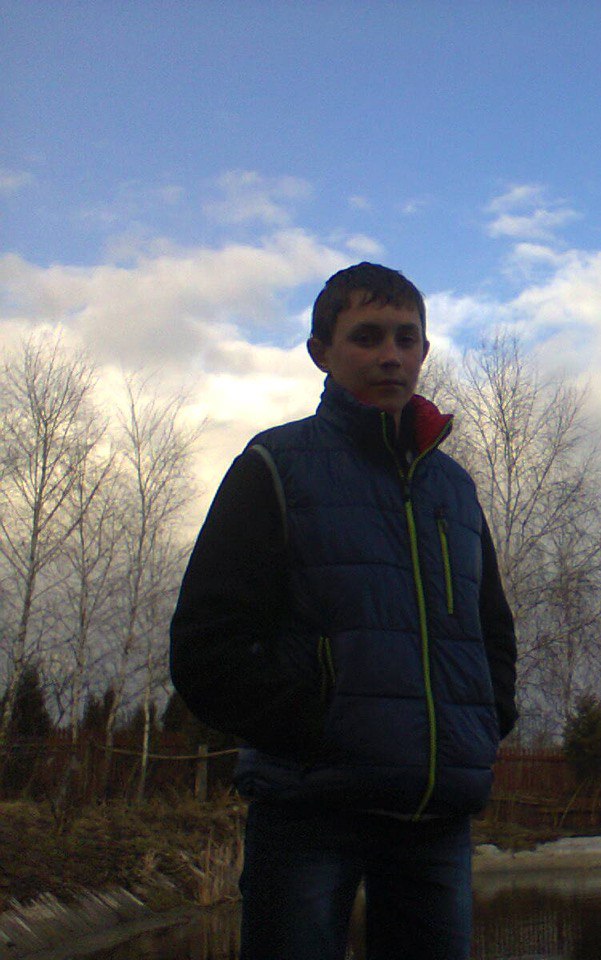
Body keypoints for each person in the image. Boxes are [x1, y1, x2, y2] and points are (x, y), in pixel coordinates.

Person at [170, 262, 518, 960]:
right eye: (366, 336)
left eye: (405, 338)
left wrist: (481, 726)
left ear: (423, 351)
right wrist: (313, 728)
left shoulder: (454, 490)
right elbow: (207, 644)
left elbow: (492, 636)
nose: (390, 354)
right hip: (310, 812)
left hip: (434, 818)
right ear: (320, 352)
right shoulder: (275, 465)